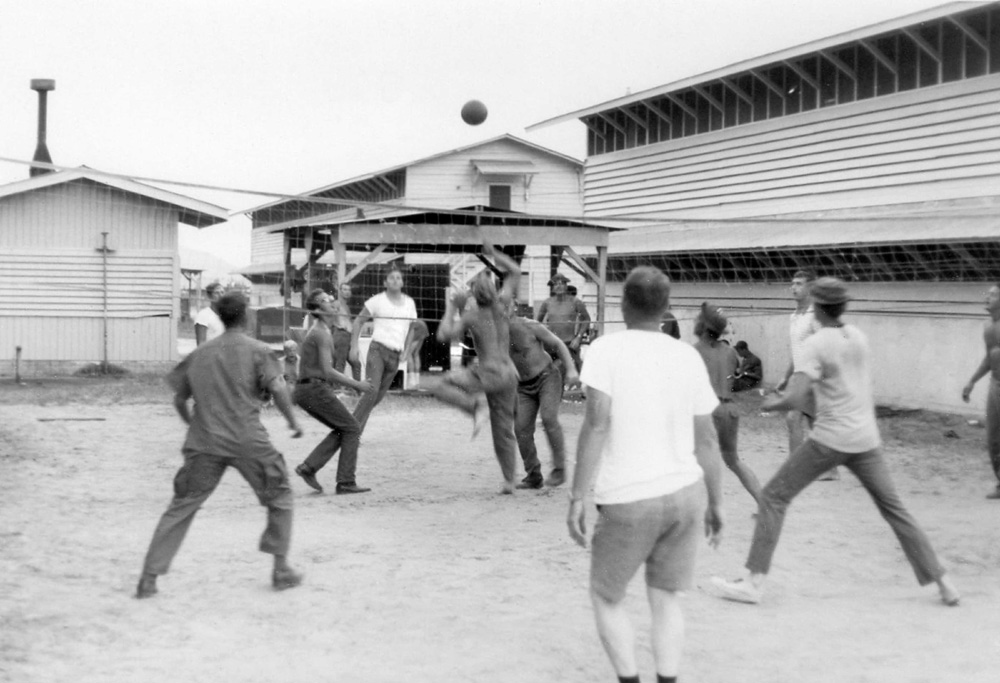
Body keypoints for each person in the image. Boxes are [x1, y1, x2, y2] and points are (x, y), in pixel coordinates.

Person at [712, 277, 960, 607]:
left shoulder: (816, 343)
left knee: (773, 497)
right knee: (895, 510)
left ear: (817, 307)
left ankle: (753, 582)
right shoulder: (856, 336)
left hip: (830, 438)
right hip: (866, 439)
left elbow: (798, 395)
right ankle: (942, 582)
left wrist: (774, 403)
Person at [567, 266, 724, 683]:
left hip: (630, 496)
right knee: (667, 598)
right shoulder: (686, 355)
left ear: (623, 304)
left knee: (606, 596)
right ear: (666, 308)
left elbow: (597, 423)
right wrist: (717, 502)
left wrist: (577, 496)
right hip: (685, 493)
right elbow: (707, 440)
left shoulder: (605, 349)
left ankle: (630, 679)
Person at [135, 292, 305, 599]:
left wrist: (193, 425)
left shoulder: (201, 353)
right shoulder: (258, 350)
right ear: (247, 316)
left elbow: (179, 398)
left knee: (182, 506)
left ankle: (149, 577)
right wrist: (293, 422)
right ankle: (281, 569)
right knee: (279, 495)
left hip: (204, 442)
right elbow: (278, 386)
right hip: (248, 440)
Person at [428, 238, 521, 494]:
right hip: (509, 374)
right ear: (493, 290)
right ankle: (509, 481)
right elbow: (515, 271)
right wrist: (495, 254)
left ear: (472, 295)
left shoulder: (471, 315)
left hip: (488, 373)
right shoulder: (504, 305)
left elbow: (442, 336)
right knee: (503, 430)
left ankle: (474, 406)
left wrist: (451, 307)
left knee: (439, 385)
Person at [293, 289, 374, 495]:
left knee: (344, 428)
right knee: (352, 428)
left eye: (330, 299)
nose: (332, 302)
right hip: (313, 388)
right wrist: (357, 384)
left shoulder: (324, 330)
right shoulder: (320, 332)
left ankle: (309, 467)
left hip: (308, 389)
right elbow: (328, 371)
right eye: (326, 301)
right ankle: (345, 482)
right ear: (319, 309)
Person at [694, 304, 763, 505]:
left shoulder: (696, 351)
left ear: (704, 326)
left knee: (691, 460)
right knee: (733, 460)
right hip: (729, 409)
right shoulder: (730, 352)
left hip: (708, 411)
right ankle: (763, 502)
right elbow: (734, 378)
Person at [508, 309, 581, 489]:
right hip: (522, 386)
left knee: (549, 418)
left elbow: (558, 344)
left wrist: (571, 369)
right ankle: (533, 475)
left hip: (547, 377)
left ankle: (560, 469)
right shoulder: (494, 332)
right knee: (521, 428)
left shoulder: (530, 325)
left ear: (513, 307)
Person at [780, 269, 839, 481]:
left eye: (799, 284)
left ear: (810, 288)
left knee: (793, 418)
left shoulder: (816, 316)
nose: (793, 287)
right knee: (814, 423)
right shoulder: (794, 316)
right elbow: (796, 349)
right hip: (798, 375)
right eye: (792, 283)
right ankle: (830, 469)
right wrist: (786, 377)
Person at [349, 265, 418, 433]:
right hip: (377, 350)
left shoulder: (409, 303)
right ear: (385, 282)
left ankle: (350, 427)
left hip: (395, 355)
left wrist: (407, 351)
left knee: (376, 398)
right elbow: (358, 321)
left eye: (398, 278)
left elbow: (412, 329)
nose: (396, 280)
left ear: (402, 282)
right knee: (371, 392)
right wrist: (354, 347)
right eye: (392, 278)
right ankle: (351, 431)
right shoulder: (377, 300)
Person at [961, 282, 1000, 499]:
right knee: (993, 437)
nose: (987, 298)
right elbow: (990, 357)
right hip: (995, 384)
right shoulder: (987, 327)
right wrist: (972, 381)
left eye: (993, 295)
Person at [537, 272, 591, 376]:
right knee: (550, 374)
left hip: (570, 344)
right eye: (556, 284)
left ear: (566, 286)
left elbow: (586, 319)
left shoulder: (575, 302)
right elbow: (537, 323)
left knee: (577, 373)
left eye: (562, 283)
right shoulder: (547, 303)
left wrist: (578, 338)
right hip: (551, 345)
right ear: (552, 288)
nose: (559, 286)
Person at [331, 281, 362, 386]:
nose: (347, 292)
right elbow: (331, 315)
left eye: (349, 290)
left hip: (347, 336)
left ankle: (357, 388)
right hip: (341, 334)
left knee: (356, 363)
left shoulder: (346, 306)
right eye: (344, 289)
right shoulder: (337, 303)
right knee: (340, 363)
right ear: (339, 291)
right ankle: (336, 389)